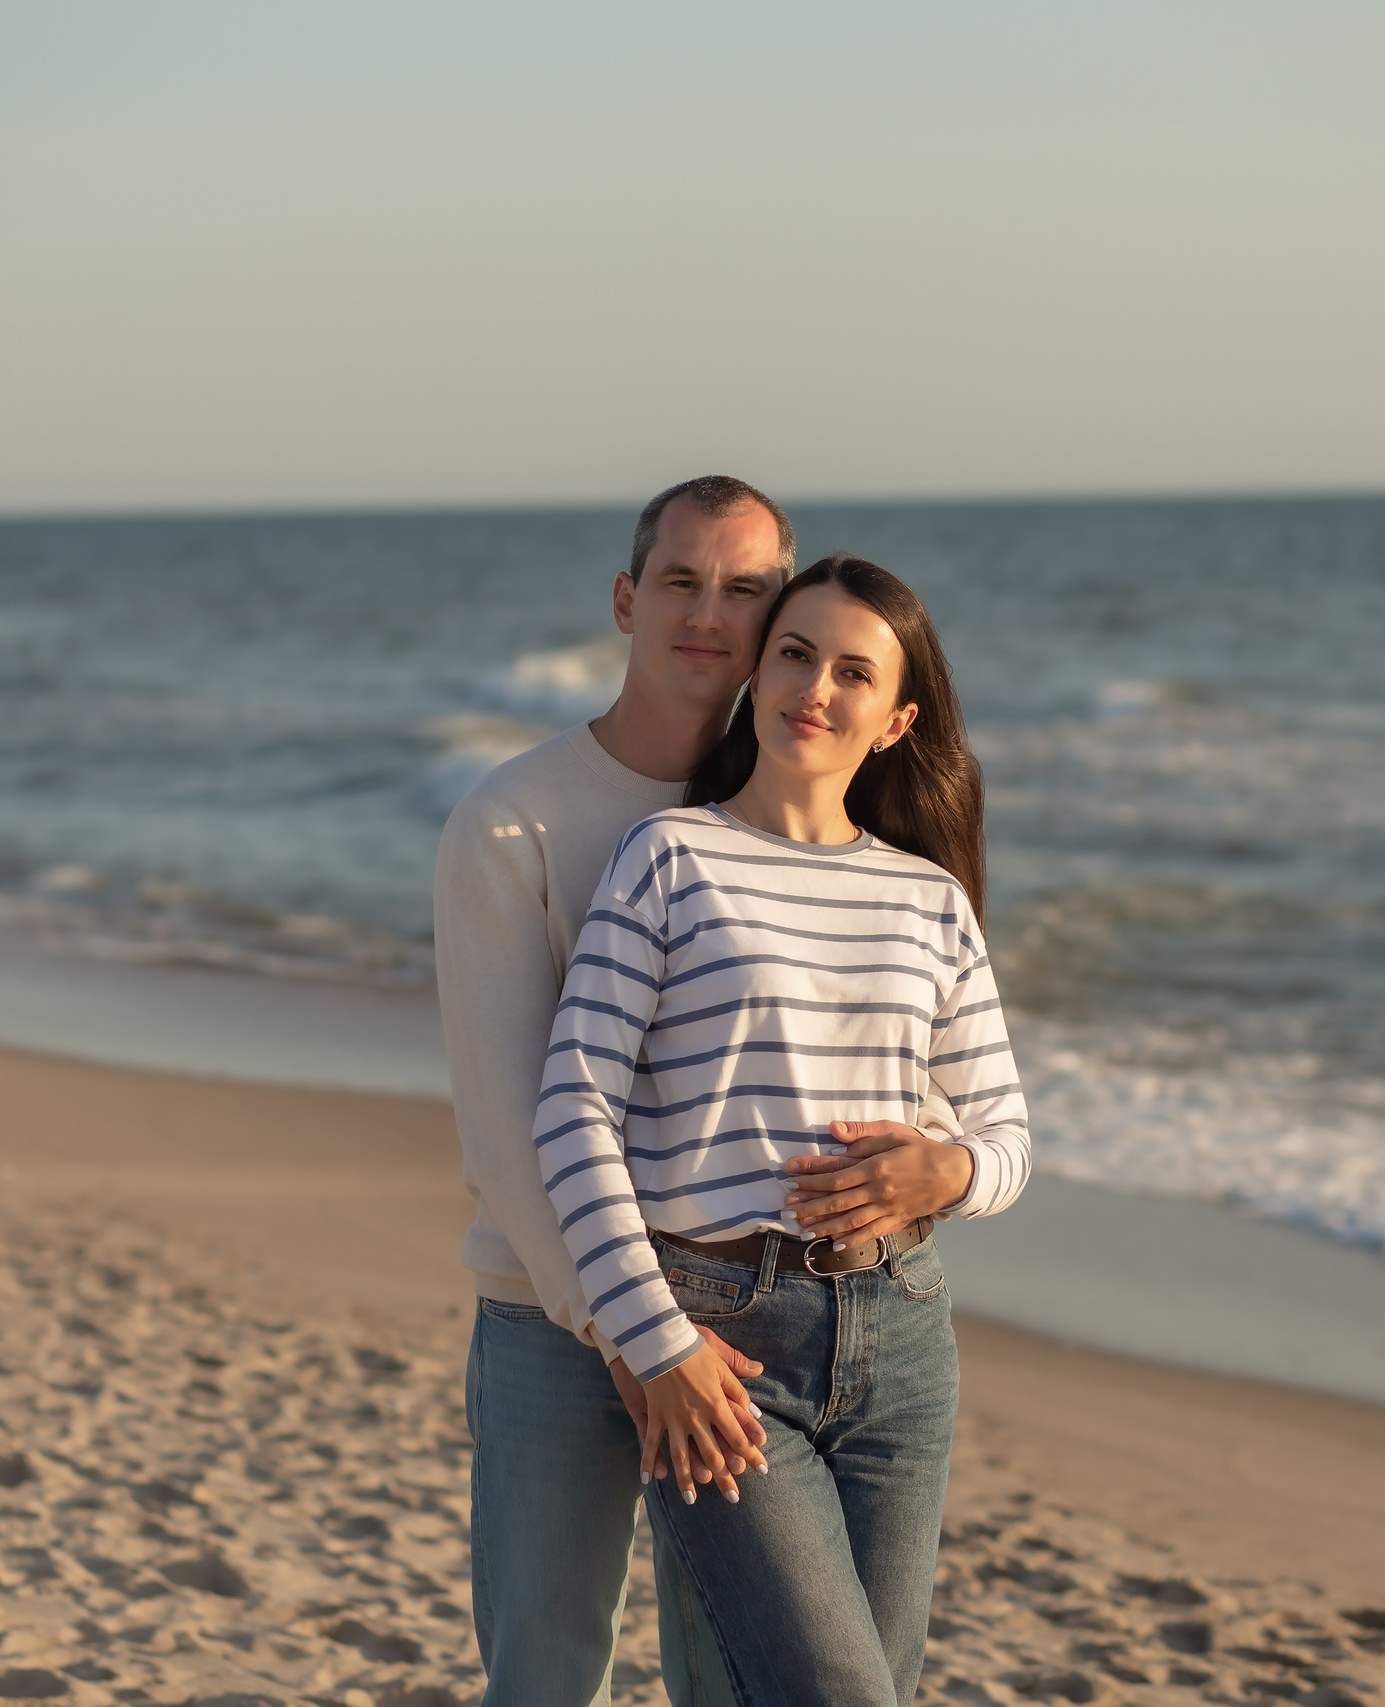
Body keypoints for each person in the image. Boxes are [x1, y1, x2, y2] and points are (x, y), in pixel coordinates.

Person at [535, 555, 1032, 1706]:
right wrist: (649, 1339)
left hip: (902, 1338)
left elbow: (1006, 1132)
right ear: (757, 676)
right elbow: (572, 1107)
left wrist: (946, 1170)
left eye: (853, 671)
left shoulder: (928, 899)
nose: (815, 687)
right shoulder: (671, 859)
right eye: (796, 654)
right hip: (722, 1342)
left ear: (897, 719)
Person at [435, 476, 795, 1707]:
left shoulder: (789, 821)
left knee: (729, 1671)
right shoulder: (510, 822)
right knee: (544, 1672)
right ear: (626, 601)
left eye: (745, 589)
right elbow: (503, 1128)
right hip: (550, 1314)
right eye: (683, 582)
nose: (709, 612)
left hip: (737, 1318)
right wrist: (635, 1337)